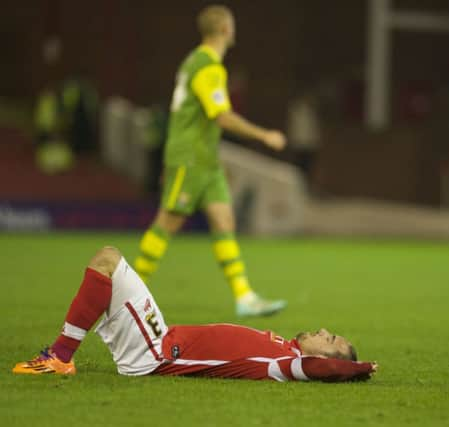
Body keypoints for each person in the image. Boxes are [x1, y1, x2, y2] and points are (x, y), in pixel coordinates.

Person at [13, 247, 377, 382]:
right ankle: (60, 355)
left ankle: (59, 358)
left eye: (330, 340)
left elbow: (322, 369)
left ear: (320, 356)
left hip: (154, 353)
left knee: (108, 261)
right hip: (162, 338)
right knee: (108, 259)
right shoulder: (286, 348)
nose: (325, 329)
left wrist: (356, 369)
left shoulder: (285, 364)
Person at [134, 5, 287, 317]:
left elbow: (187, 114)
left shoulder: (192, 61)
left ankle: (244, 297)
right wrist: (263, 135)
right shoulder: (207, 66)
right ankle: (126, 294)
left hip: (205, 159)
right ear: (225, 29)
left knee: (224, 221)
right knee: (168, 223)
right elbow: (221, 116)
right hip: (190, 158)